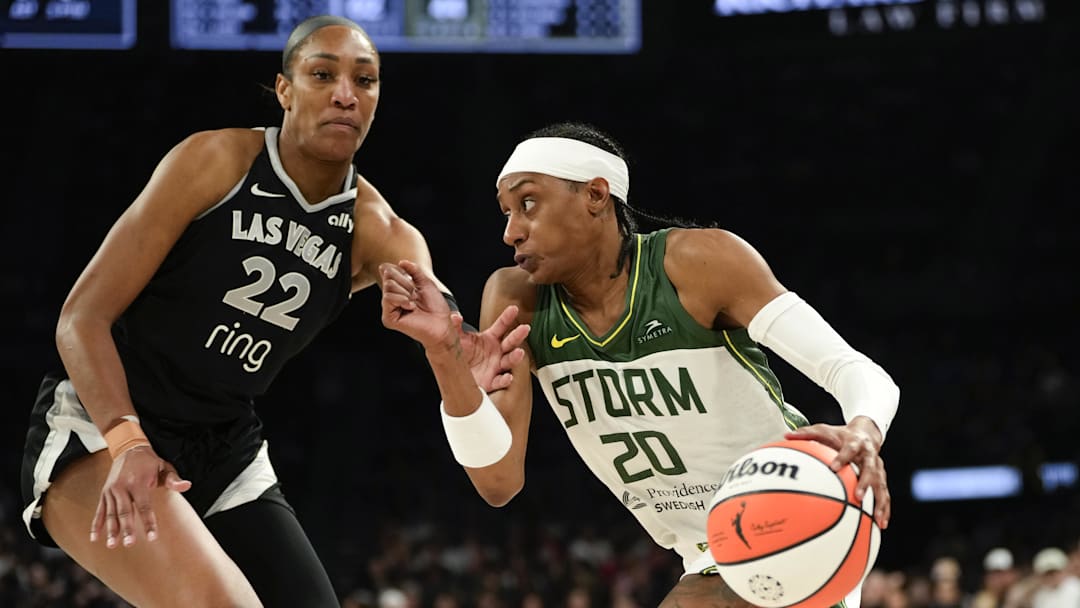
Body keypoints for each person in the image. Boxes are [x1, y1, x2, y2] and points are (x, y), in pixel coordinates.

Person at [19, 15, 527, 608]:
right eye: (322, 74)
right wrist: (128, 441)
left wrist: (457, 346)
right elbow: (80, 319)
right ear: (284, 90)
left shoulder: (376, 227)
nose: (346, 93)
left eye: (366, 80)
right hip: (105, 421)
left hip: (223, 440)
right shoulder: (214, 161)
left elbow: (440, 309)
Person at [380, 122, 900, 607]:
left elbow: (852, 369)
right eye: (506, 212)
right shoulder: (517, 299)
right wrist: (445, 357)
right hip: (708, 549)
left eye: (529, 203)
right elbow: (497, 481)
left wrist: (864, 430)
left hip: (792, 502)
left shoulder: (698, 263)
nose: (511, 231)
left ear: (595, 195)